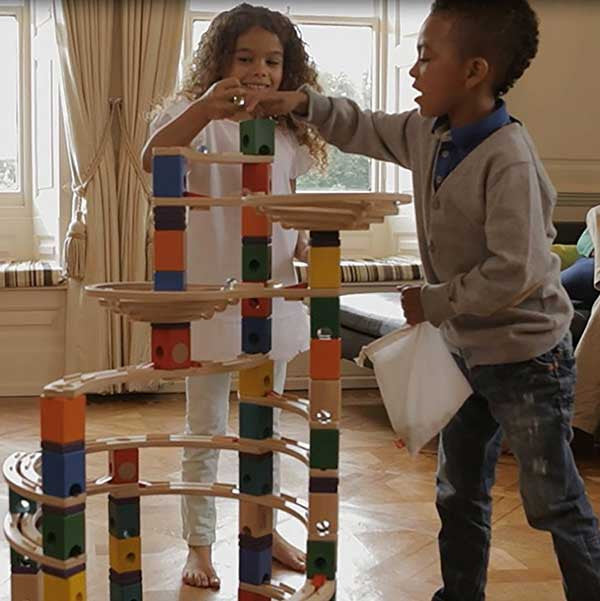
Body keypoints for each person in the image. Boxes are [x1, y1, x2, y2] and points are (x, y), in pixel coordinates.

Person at [248, 1, 600, 599]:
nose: (413, 70)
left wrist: (436, 302)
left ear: (474, 71)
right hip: (464, 353)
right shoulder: (427, 133)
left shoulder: (510, 159)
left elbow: (514, 271)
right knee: (458, 493)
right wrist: (303, 102)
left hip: (527, 361)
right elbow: (365, 126)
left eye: (425, 56)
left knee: (552, 504)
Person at [141, 3, 327, 589]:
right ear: (219, 61)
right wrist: (202, 108)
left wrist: (299, 250)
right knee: (206, 429)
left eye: (272, 61)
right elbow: (153, 158)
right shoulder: (194, 118)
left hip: (268, 303)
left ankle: (262, 531)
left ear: (287, 70)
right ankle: (200, 544)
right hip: (208, 303)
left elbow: (287, 206)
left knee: (263, 429)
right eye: (244, 57)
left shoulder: (288, 133)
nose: (259, 71)